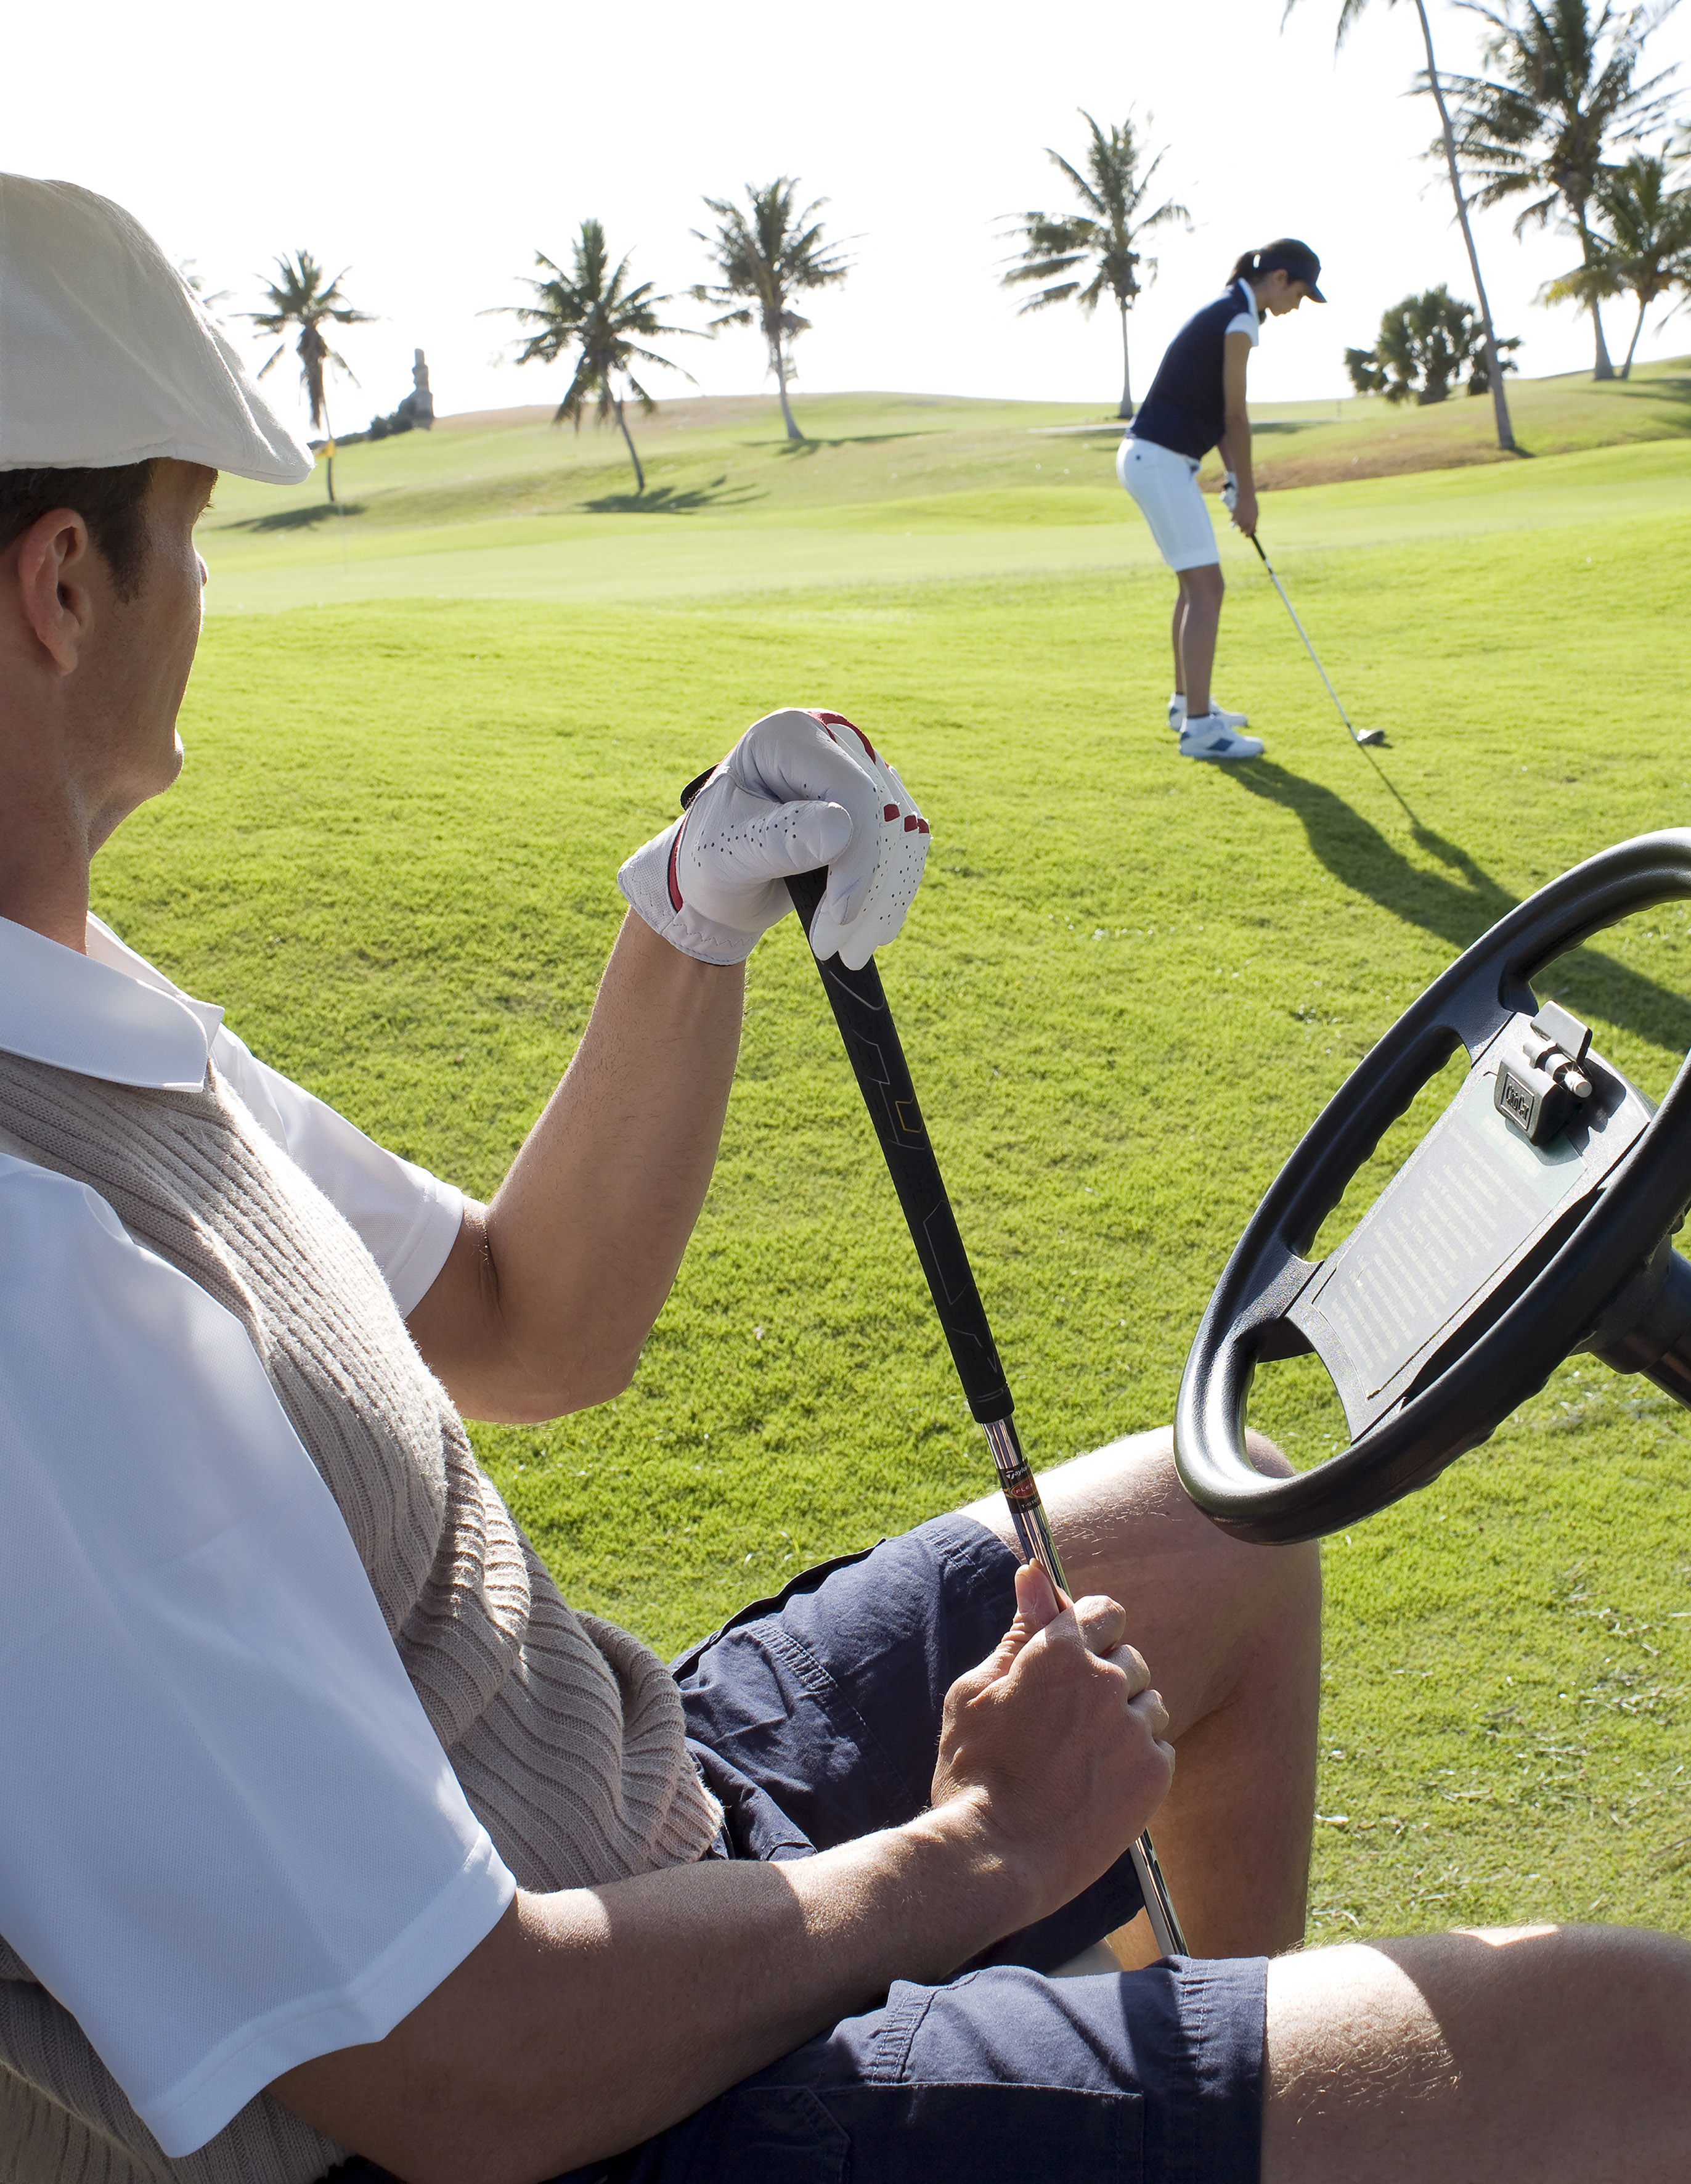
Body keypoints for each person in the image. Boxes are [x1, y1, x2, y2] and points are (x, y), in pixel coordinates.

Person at [1, 173, 1689, 2184]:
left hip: (636, 1811)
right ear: (62, 586)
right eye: (191, 531)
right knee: (1629, 2052)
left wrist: (696, 913)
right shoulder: (39, 1272)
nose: (210, 590)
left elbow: (529, 1318)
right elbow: (453, 2065)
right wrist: (967, 1857)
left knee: (1224, 1537)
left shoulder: (82, 1007)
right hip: (571, 2095)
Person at [1117, 239, 1324, 765]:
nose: (1298, 305)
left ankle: (1189, 705)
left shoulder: (1232, 311)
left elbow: (1220, 417)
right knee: (1208, 587)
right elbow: (1236, 416)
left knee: (1194, 587)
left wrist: (1234, 478)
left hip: (1156, 459)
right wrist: (1248, 493)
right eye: (1300, 293)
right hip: (1159, 460)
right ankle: (1201, 729)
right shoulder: (1240, 319)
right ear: (1279, 278)